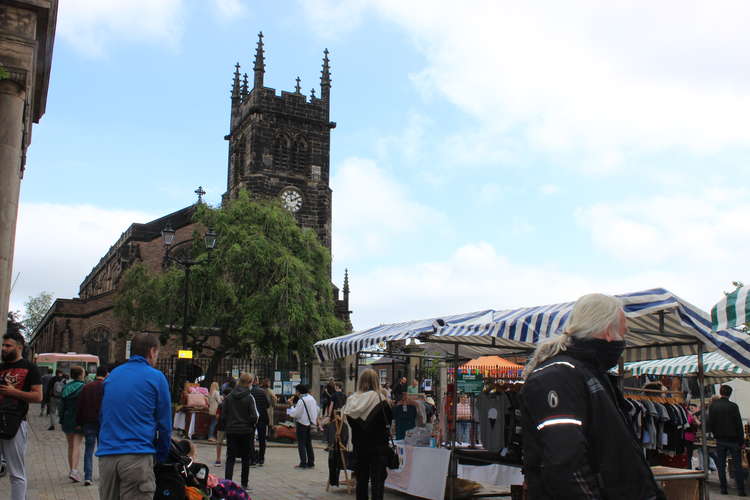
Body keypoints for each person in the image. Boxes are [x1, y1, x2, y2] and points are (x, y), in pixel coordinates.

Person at [521, 293, 665, 500]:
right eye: (624, 332)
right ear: (608, 331)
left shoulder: (591, 375)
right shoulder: (559, 376)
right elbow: (565, 465)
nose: (623, 340)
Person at [97, 332, 172, 500]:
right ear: (152, 351)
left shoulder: (112, 376)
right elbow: (165, 424)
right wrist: (160, 455)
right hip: (137, 455)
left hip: (107, 457)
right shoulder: (156, 377)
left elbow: (103, 416)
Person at [0, 331, 42, 500]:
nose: (3, 348)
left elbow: (38, 396)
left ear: (19, 347)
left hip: (15, 422)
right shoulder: (1, 367)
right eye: (3, 345)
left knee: (16, 472)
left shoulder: (30, 368)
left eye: (7, 345)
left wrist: (13, 392)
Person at [342, 368, 393, 500]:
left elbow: (351, 423)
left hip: (360, 446)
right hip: (378, 447)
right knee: (377, 482)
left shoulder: (352, 400)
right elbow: (388, 421)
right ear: (376, 381)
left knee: (362, 481)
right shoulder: (381, 400)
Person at [220, 372, 259, 490]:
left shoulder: (229, 397)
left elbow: (223, 415)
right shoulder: (249, 397)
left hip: (232, 430)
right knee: (245, 458)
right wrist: (251, 425)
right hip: (246, 431)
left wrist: (228, 424)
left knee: (230, 457)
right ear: (249, 383)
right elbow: (254, 416)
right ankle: (244, 483)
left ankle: (227, 483)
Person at [709, 384, 746, 496]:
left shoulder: (713, 406)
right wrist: (742, 441)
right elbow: (739, 424)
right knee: (737, 465)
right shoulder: (733, 406)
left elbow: (712, 423)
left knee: (721, 465)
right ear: (730, 394)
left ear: (720, 392)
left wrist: (715, 434)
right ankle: (741, 490)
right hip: (733, 439)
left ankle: (723, 488)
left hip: (720, 439)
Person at [76, 365, 108, 486]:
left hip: (89, 421)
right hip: (103, 422)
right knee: (103, 450)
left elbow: (80, 406)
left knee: (89, 450)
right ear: (105, 374)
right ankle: (104, 475)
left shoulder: (87, 387)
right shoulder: (106, 387)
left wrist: (79, 422)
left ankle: (88, 476)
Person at [59, 365, 86, 482]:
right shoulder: (84, 388)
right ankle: (74, 470)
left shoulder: (66, 387)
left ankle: (72, 469)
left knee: (70, 446)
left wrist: (61, 419)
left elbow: (61, 407)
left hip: (67, 419)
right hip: (79, 419)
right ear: (80, 375)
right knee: (77, 445)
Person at [287, 383, 318, 469]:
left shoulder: (302, 400)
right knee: (308, 443)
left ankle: (303, 462)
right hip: (309, 423)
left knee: (301, 444)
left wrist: (290, 406)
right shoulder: (311, 398)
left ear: (299, 392)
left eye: (296, 391)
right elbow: (316, 410)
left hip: (302, 423)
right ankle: (311, 462)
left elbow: (296, 414)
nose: (295, 393)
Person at [250, 376, 270, 466]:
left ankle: (252, 458)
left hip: (251, 418)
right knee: (262, 439)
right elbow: (267, 405)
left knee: (250, 439)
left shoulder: (249, 391)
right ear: (257, 381)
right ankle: (261, 458)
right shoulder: (262, 391)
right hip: (262, 417)